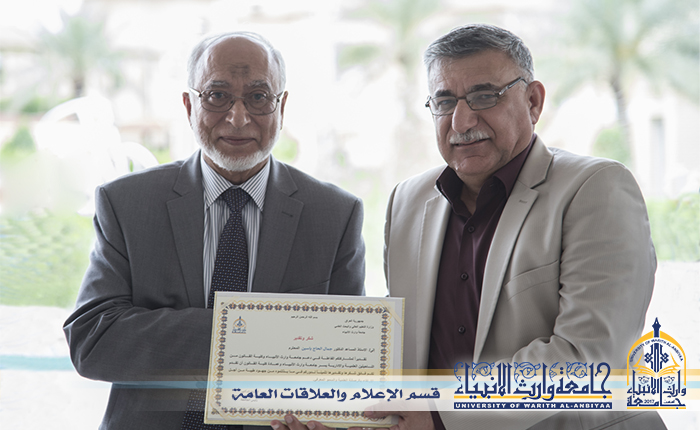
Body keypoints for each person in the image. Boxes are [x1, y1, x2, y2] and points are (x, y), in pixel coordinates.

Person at [274, 24, 665, 430]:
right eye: (445, 101)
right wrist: (344, 415)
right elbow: (402, 352)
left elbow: (590, 356)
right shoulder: (407, 201)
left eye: (484, 96)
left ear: (533, 101)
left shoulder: (596, 188)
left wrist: (442, 413)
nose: (461, 121)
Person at [63, 31, 365, 430]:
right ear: (189, 105)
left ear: (281, 107)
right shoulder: (127, 204)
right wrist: (251, 335)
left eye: (258, 97)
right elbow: (93, 340)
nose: (238, 118)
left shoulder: (335, 215)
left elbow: (346, 361)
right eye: (217, 96)